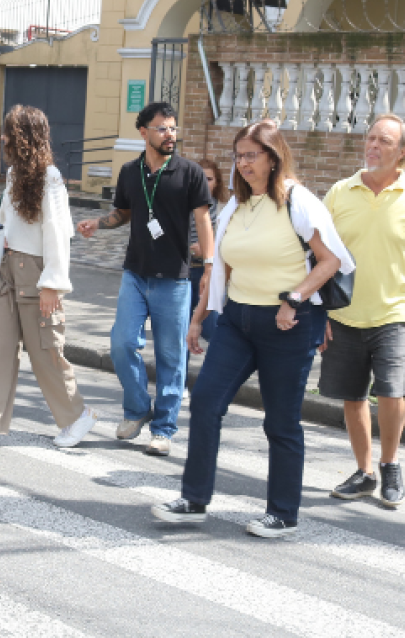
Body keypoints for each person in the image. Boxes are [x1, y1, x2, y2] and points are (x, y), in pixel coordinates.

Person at [153, 120, 353, 538]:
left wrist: (294, 299)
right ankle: (194, 500)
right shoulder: (236, 205)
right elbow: (219, 266)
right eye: (238, 156)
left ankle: (283, 513)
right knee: (205, 401)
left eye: (251, 155)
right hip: (238, 320)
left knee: (280, 421)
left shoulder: (298, 201)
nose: (242, 164)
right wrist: (200, 315)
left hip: (287, 324)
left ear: (273, 156)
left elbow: (331, 260)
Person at [0, 106, 99, 450]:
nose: (3, 139)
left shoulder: (51, 178)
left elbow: (58, 233)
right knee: (0, 350)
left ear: (24, 137)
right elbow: (5, 223)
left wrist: (52, 284)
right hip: (10, 271)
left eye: (9, 133)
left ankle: (78, 416)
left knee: (46, 352)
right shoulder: (16, 174)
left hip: (38, 275)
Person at [76, 102, 213, 456]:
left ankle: (164, 428)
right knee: (122, 344)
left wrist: (209, 266)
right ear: (143, 132)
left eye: (173, 128)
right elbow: (123, 212)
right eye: (162, 128)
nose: (170, 134)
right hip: (135, 273)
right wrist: (99, 224)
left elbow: (203, 220)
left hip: (175, 279)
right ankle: (137, 410)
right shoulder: (129, 171)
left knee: (171, 356)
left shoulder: (190, 172)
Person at [320, 114, 405, 508]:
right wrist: (320, 313)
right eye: (371, 138)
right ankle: (364, 472)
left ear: (402, 152)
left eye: (384, 141)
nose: (373, 146)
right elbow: (318, 254)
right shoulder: (340, 193)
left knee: (391, 393)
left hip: (394, 313)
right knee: (353, 396)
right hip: (343, 313)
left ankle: (391, 464)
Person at [188, 159, 229, 341]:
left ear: (217, 182)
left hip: (212, 273)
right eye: (200, 178)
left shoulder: (225, 208)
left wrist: (207, 250)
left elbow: (231, 243)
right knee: (183, 330)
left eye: (209, 179)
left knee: (213, 329)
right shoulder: (184, 205)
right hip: (185, 271)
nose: (204, 183)